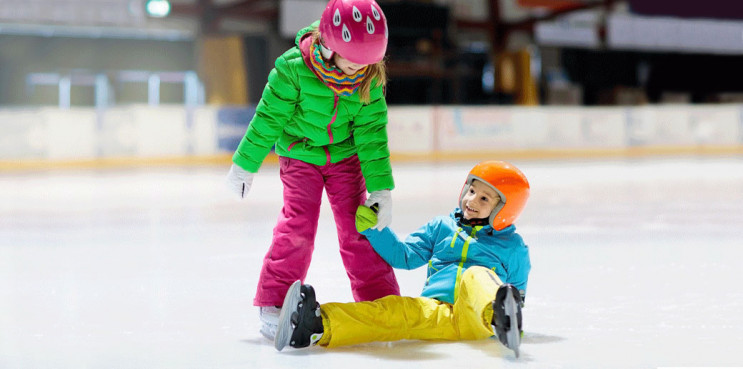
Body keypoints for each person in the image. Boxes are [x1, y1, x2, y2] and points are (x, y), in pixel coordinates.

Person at [226, 0, 400, 340]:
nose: (359, 69)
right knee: (298, 226)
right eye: (353, 62)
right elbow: (268, 119)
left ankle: (380, 302)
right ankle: (275, 302)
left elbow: (372, 135)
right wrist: (244, 165)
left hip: (345, 158)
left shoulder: (369, 77)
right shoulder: (293, 70)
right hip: (300, 155)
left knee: (359, 229)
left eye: (367, 64)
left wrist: (380, 189)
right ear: (330, 44)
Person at [274, 160, 532, 357]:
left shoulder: (513, 248)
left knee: (476, 276)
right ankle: (316, 324)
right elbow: (404, 256)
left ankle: (500, 318)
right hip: (436, 311)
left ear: (505, 210)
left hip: (478, 318)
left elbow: (517, 294)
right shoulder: (442, 228)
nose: (471, 200)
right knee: (394, 310)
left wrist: (507, 310)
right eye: (472, 190)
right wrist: (376, 230)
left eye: (485, 198)